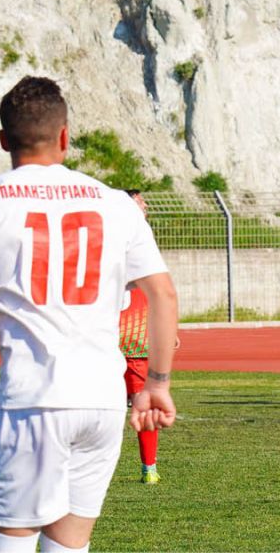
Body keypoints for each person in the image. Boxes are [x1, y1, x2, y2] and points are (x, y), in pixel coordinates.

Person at [0, 76, 178, 552]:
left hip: (34, 399)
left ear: (2, 140)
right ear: (64, 137)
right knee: (69, 547)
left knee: (8, 544)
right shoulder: (116, 203)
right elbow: (162, 294)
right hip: (102, 402)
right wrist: (155, 385)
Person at [118, 189, 176, 485]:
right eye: (139, 201)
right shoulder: (120, 236)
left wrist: (166, 332)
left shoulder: (142, 235)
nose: (145, 205)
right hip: (114, 335)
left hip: (138, 339)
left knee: (145, 403)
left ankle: (149, 467)